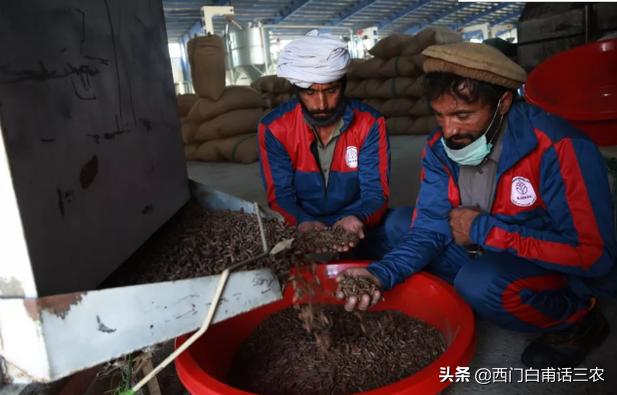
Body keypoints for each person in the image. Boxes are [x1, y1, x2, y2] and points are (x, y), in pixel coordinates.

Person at [335, 42, 616, 368]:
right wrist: (381, 274)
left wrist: (486, 230)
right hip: (485, 247)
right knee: (399, 224)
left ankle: (578, 322)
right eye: (440, 115)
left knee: (479, 283)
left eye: (463, 115)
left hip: (552, 265)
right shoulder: (439, 148)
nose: (449, 129)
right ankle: (475, 297)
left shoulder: (559, 146)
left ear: (503, 103)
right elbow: (428, 228)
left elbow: (593, 256)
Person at [258, 30, 402, 258]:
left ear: (343, 85)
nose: (321, 104)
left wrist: (359, 218)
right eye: (309, 93)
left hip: (355, 219)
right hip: (301, 221)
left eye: (331, 90)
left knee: (402, 225)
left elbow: (376, 192)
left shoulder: (369, 123)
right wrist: (302, 222)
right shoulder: (275, 128)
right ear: (297, 91)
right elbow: (281, 196)